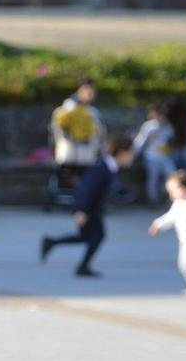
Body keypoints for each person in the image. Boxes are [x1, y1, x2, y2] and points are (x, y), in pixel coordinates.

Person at [39, 136, 137, 277]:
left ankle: (52, 243)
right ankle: (82, 267)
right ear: (121, 152)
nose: (133, 156)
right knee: (97, 237)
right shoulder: (102, 167)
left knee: (87, 236)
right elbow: (86, 189)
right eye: (131, 152)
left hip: (92, 208)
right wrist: (81, 210)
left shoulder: (109, 167)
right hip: (88, 208)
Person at [49, 77, 107, 167]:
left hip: (88, 160)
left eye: (92, 90)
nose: (90, 94)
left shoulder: (94, 113)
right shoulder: (63, 111)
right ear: (79, 90)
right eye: (87, 89)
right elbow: (54, 136)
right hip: (67, 159)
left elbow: (101, 137)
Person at [133, 103, 174, 204]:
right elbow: (140, 142)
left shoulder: (168, 126)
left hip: (165, 157)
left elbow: (172, 140)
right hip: (151, 157)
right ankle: (153, 199)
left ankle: (167, 196)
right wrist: (134, 152)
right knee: (153, 178)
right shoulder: (148, 126)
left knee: (171, 175)